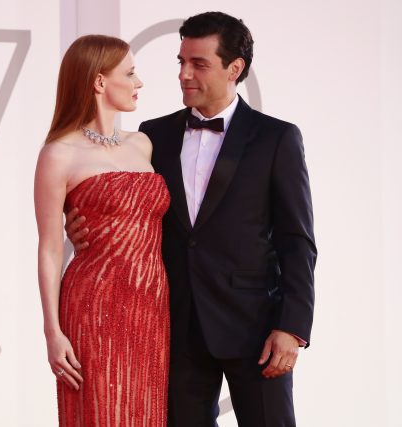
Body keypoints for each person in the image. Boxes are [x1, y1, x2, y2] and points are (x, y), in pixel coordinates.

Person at [66, 12, 316, 427]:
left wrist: (291, 327)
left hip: (255, 328)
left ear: (234, 68)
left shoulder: (276, 137)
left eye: (199, 64)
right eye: (181, 61)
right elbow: (127, 207)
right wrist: (83, 227)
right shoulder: (152, 135)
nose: (184, 74)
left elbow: (297, 240)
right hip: (173, 326)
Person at [34, 35, 171, 426]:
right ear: (99, 81)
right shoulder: (59, 154)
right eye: (130, 73)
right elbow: (49, 248)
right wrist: (52, 332)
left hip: (151, 307)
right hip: (95, 306)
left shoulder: (142, 144)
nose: (139, 83)